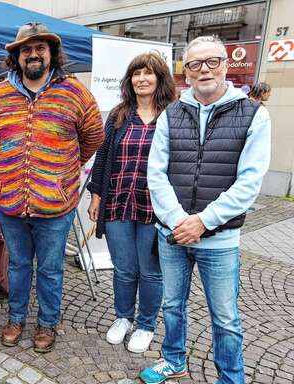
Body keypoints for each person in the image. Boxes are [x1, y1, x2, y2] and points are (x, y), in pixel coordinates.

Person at [139, 36, 270, 384]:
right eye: (195, 64)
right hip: (172, 235)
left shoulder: (254, 114)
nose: (204, 70)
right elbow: (156, 173)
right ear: (186, 72)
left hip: (220, 240)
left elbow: (249, 183)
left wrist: (202, 222)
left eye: (212, 61)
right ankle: (174, 361)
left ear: (226, 65)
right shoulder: (172, 112)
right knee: (172, 306)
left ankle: (231, 378)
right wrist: (178, 221)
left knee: (226, 318)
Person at [0, 22, 104, 353]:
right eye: (25, 50)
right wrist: (11, 169)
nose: (32, 54)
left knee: (50, 269)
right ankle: (16, 318)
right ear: (16, 57)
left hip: (55, 205)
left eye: (40, 48)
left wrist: (61, 170)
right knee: (18, 266)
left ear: (52, 54)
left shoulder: (75, 92)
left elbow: (93, 137)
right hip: (11, 204)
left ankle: (48, 324)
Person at [87, 52, 175, 353]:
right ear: (130, 80)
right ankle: (123, 318)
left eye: (148, 73)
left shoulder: (173, 115)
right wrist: (96, 195)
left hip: (156, 208)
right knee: (124, 268)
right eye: (136, 74)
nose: (142, 79)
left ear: (160, 78)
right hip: (118, 202)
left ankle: (146, 324)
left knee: (151, 270)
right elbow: (102, 156)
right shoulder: (119, 114)